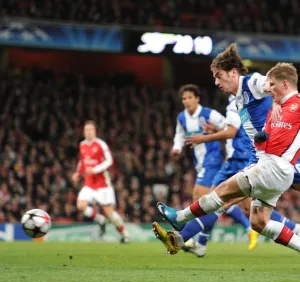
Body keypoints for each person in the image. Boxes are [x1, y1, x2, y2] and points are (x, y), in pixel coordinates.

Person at [154, 60, 300, 254]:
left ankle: (182, 224)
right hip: (264, 160)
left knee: (219, 195)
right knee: (256, 220)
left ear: (232, 73)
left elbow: (271, 82)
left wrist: (204, 137)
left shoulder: (252, 84)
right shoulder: (240, 102)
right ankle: (183, 240)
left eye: (218, 76)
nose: (216, 82)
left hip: (256, 161)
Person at [171, 85, 256, 255]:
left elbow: (231, 129)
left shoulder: (210, 114)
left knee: (202, 197)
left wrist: (212, 133)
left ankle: (192, 239)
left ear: (197, 98)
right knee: (220, 202)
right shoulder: (181, 117)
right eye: (184, 98)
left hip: (214, 160)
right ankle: (201, 243)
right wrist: (177, 148)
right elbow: (180, 135)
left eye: (189, 97)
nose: (187, 101)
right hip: (200, 162)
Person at [72, 120, 129, 243]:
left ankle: (125, 234)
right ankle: (100, 220)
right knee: (81, 205)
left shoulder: (101, 144)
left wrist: (95, 169)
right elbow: (82, 161)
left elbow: (109, 161)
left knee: (110, 213)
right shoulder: (82, 145)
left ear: (95, 131)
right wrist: (78, 173)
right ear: (84, 132)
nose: (89, 132)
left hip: (102, 184)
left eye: (91, 130)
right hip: (89, 184)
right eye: (86, 130)